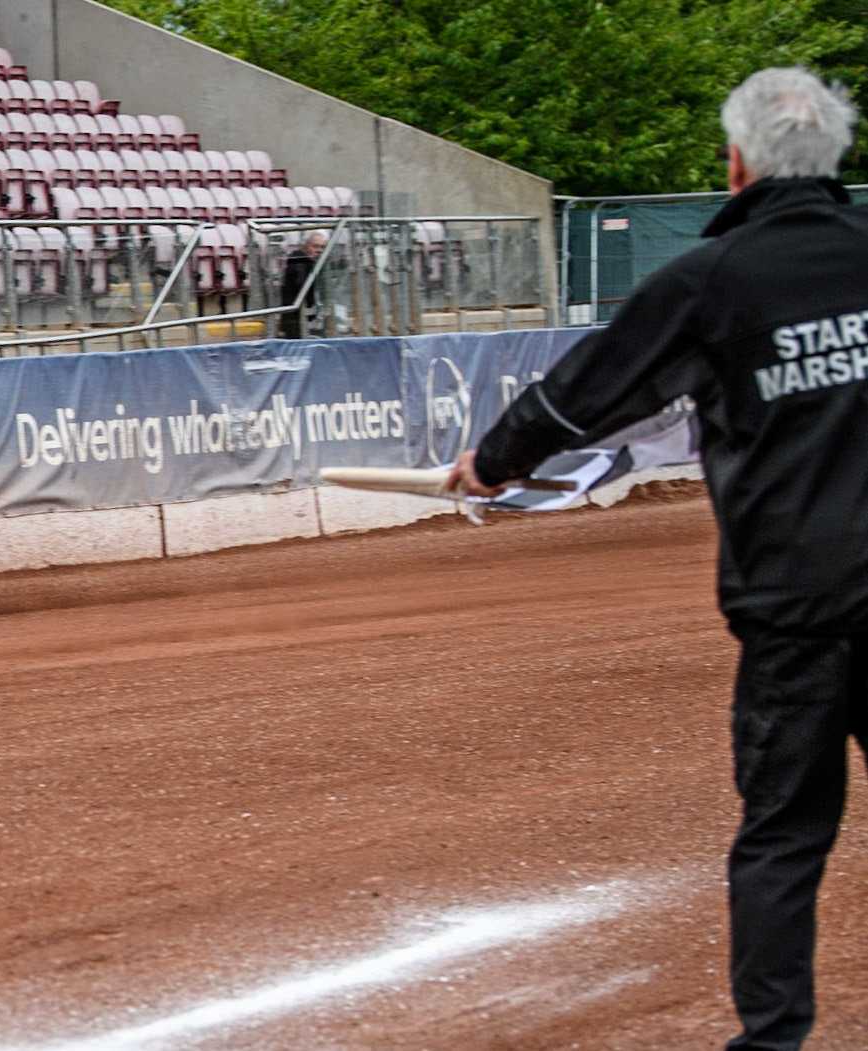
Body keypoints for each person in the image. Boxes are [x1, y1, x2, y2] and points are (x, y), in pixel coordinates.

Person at [446, 66, 867, 1051]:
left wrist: (493, 462)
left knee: (780, 836)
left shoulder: (708, 281)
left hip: (794, 611)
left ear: (734, 163)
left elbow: (585, 389)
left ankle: (769, 1041)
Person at [278, 231, 327, 339]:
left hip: (307, 318)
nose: (319, 250)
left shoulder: (315, 264)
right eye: (315, 246)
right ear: (305, 246)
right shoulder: (298, 262)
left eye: (322, 247)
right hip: (296, 321)